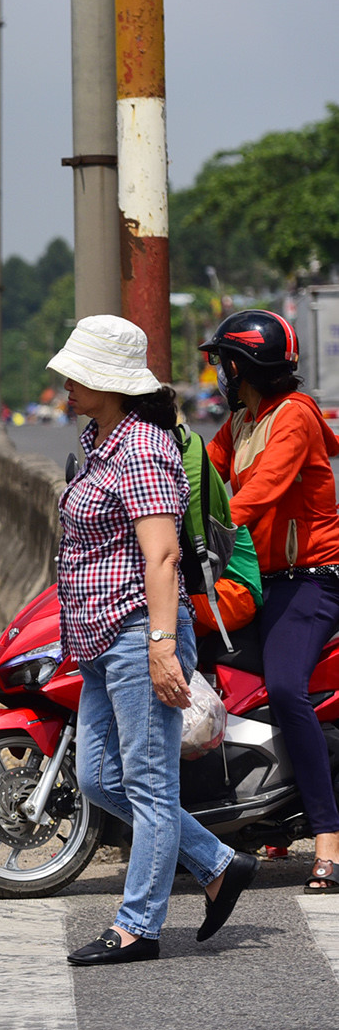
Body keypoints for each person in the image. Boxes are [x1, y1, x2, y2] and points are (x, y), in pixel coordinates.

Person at [49, 316, 258, 966]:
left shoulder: (142, 448)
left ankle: (138, 926)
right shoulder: (98, 440)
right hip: (99, 639)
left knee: (148, 787)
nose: (65, 382)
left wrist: (162, 647)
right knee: (99, 778)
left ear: (112, 383)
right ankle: (218, 863)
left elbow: (162, 556)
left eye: (78, 373)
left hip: (140, 636)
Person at [200, 310, 339, 892]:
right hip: (261, 578)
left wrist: (209, 527)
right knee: (194, 651)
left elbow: (261, 491)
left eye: (223, 363)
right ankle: (245, 810)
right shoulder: (242, 421)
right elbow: (201, 474)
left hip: (311, 580)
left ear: (243, 367)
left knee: (283, 688)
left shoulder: (295, 416)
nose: (219, 375)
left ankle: (328, 837)